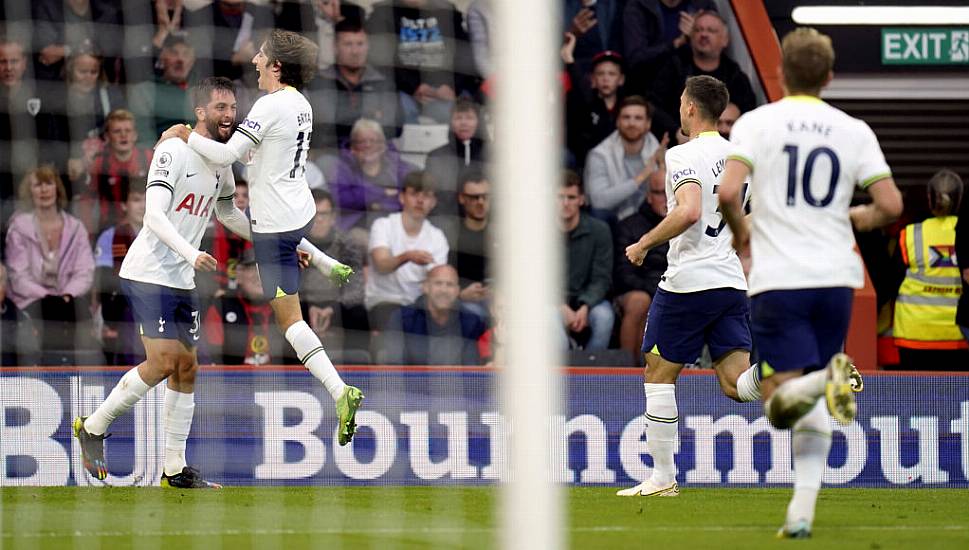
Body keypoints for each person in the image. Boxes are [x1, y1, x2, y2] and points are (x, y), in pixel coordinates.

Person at [718, 28, 903, 537]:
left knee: (779, 403)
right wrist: (852, 220)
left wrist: (741, 235)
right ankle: (800, 513)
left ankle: (827, 380)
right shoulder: (853, 129)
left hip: (780, 280)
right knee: (806, 407)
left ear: (781, 73)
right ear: (828, 76)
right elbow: (890, 206)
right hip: (836, 280)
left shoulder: (756, 123)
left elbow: (729, 192)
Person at [160, 30, 364, 446]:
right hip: (300, 211)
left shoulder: (270, 105)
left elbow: (223, 155)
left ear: (276, 66)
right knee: (269, 237)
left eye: (261, 55)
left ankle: (340, 391)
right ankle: (326, 261)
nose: (254, 59)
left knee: (291, 322)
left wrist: (184, 134)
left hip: (274, 223)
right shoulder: (301, 103)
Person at [72, 77, 256, 488]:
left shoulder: (222, 162)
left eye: (232, 107)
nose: (228, 115)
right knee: (162, 363)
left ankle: (174, 468)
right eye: (220, 107)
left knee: (187, 369)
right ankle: (95, 427)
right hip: (150, 271)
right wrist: (191, 253)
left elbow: (226, 213)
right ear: (200, 112)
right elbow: (153, 216)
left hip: (182, 277)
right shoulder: (173, 149)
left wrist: (267, 240)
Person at [616, 76, 761, 499]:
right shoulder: (741, 156)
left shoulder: (682, 154)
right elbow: (750, 218)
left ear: (692, 108)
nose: (680, 109)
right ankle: (801, 372)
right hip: (731, 281)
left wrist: (644, 243)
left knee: (659, 375)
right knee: (736, 384)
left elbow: (690, 210)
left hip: (689, 282)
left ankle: (662, 478)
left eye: (681, 102)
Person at [4, 166, 95, 363]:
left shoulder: (75, 227)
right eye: (38, 185)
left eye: (49, 183)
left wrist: (66, 294)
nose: (44, 190)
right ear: (30, 191)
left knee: (79, 314)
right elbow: (18, 277)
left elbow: (85, 271)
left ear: (57, 188)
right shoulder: (19, 227)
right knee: (48, 313)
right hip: (30, 301)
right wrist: (48, 296)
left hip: (68, 299)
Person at [893, 169, 967, 368]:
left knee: (916, 398)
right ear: (959, 199)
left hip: (915, 335)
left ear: (929, 199)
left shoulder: (909, 235)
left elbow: (890, 283)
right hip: (960, 336)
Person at [366, 0, 479, 124]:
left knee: (454, 116)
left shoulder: (447, 12)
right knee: (400, 116)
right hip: (403, 89)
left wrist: (451, 86)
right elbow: (381, 60)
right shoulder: (382, 13)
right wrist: (414, 86)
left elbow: (464, 55)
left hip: (444, 89)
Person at [365, 170, 449, 330]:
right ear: (401, 197)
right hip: (384, 301)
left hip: (421, 303)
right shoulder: (383, 225)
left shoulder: (438, 236)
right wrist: (408, 256)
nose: (420, 200)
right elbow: (381, 266)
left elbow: (436, 279)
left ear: (434, 202)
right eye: (414, 193)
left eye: (426, 195)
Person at [649, 11, 756, 135]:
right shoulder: (674, 67)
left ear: (725, 40)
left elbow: (750, 115)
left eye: (711, 31)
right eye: (698, 30)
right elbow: (653, 106)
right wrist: (676, 131)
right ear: (691, 37)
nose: (704, 34)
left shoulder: (734, 76)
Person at [306, 18, 399, 151]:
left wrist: (345, 115)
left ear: (368, 46)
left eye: (360, 44)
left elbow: (395, 126)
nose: (355, 52)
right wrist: (371, 115)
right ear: (335, 47)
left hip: (376, 151)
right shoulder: (320, 80)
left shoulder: (382, 81)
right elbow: (326, 126)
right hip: (333, 151)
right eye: (348, 44)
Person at [300, 189, 369, 353]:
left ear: (333, 217)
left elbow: (356, 287)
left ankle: (356, 369)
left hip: (339, 303)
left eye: (324, 214)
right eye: (314, 214)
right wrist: (309, 306)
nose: (319, 220)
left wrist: (333, 307)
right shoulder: (296, 243)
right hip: (303, 303)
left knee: (359, 314)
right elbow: (288, 285)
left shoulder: (346, 244)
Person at [584, 95, 667, 224]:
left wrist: (662, 167)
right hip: (614, 218)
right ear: (617, 122)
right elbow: (598, 201)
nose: (632, 123)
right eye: (626, 117)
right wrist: (642, 176)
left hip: (649, 218)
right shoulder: (600, 154)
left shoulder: (659, 152)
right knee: (599, 214)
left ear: (648, 124)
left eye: (638, 118)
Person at [612, 169, 668, 359]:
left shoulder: (688, 225)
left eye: (670, 191)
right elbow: (624, 274)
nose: (666, 199)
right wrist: (654, 291)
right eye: (660, 192)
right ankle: (629, 370)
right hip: (636, 291)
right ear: (648, 196)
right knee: (641, 302)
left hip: (673, 289)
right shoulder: (629, 225)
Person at [383, 264, 487, 365]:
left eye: (450, 284)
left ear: (457, 291)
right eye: (438, 283)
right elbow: (394, 367)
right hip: (413, 382)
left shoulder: (471, 321)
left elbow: (471, 369)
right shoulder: (402, 318)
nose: (444, 290)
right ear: (425, 287)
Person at [325, 117, 414, 236]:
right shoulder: (342, 167)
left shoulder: (398, 167)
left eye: (373, 140)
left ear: (383, 144)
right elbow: (341, 199)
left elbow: (410, 194)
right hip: (357, 227)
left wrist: (376, 204)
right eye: (362, 141)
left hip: (395, 225)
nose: (368, 145)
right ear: (352, 146)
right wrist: (382, 192)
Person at [559, 170, 614, 350]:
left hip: (589, 300)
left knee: (604, 317)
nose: (565, 203)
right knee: (550, 326)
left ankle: (590, 374)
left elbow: (602, 278)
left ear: (581, 199)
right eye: (559, 197)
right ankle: (556, 375)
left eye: (571, 197)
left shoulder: (599, 230)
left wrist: (585, 305)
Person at [94, 180, 147, 366]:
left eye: (148, 199)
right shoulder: (109, 237)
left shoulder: (163, 236)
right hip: (120, 306)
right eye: (136, 199)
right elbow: (105, 284)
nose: (143, 205)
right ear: (124, 205)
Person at [78, 109, 153, 234]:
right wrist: (88, 232)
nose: (123, 135)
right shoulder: (99, 164)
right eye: (117, 131)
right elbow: (87, 200)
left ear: (135, 135)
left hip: (147, 226)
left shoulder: (149, 158)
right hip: (110, 229)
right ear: (107, 137)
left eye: (128, 131)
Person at [622, 0, 715, 93]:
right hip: (649, 88)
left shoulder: (703, 4)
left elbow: (718, 48)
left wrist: (699, 34)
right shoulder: (639, 5)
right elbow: (635, 59)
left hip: (696, 86)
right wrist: (677, 43)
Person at [424, 97, 488, 221]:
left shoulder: (492, 154)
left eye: (469, 118)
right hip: (449, 220)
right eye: (458, 118)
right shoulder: (436, 156)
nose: (463, 123)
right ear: (451, 123)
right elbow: (434, 197)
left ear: (478, 122)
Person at [128, 34, 196, 143]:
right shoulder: (145, 90)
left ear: (192, 61)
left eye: (186, 54)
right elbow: (141, 134)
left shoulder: (202, 92)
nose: (180, 59)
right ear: (162, 58)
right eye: (174, 53)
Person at [565, 50, 628, 166]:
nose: (606, 78)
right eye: (600, 74)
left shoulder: (628, 107)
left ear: (621, 79)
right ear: (593, 80)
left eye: (612, 74)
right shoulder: (583, 106)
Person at [445, 171, 493, 320]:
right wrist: (460, 294)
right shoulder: (449, 234)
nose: (480, 202)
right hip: (462, 302)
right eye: (474, 197)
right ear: (461, 198)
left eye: (485, 197)